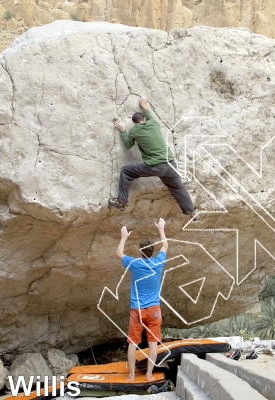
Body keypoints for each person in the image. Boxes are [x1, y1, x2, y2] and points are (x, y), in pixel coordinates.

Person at [109, 98, 194, 216]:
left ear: (134, 123)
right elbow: (146, 110)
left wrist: (123, 130)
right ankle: (190, 211)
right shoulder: (154, 123)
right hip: (170, 164)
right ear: (144, 119)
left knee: (126, 171)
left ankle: (121, 202)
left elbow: (128, 145)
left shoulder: (134, 130)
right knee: (178, 188)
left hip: (156, 166)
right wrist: (143, 105)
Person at [115, 219, 168, 381]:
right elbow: (165, 246)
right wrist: (161, 229)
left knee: (133, 343)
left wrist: (124, 237)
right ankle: (149, 375)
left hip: (137, 310)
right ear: (153, 251)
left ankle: (131, 376)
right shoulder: (159, 262)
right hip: (154, 310)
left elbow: (119, 254)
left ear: (140, 251)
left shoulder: (135, 264)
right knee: (153, 344)